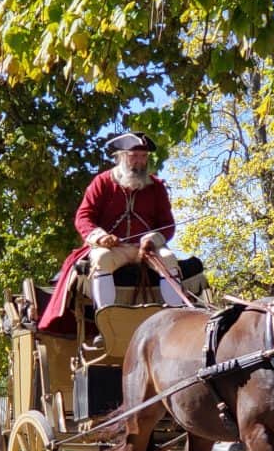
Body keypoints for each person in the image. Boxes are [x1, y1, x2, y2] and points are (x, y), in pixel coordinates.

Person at [38, 131, 185, 334]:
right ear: (122, 157)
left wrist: (151, 239)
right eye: (135, 156)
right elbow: (83, 217)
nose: (140, 162)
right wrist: (100, 237)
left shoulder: (156, 187)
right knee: (102, 258)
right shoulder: (102, 182)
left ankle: (176, 324)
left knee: (169, 258)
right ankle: (107, 328)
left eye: (144, 157)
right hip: (114, 249)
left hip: (146, 249)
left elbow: (167, 225)